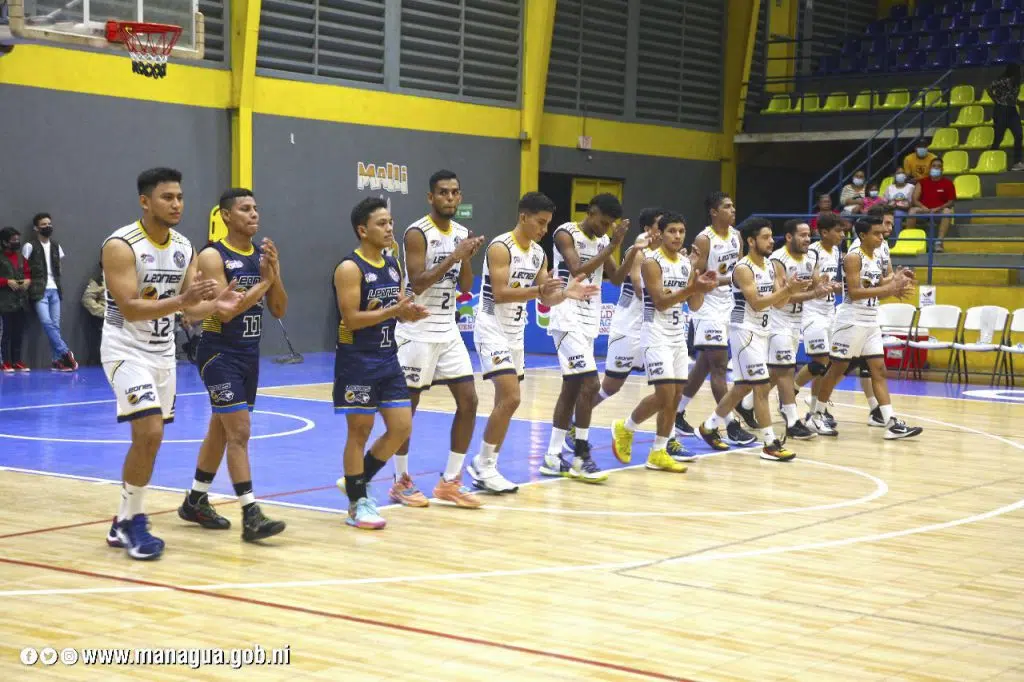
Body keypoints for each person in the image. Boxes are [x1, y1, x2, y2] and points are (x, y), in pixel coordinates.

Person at [102, 167, 244, 560]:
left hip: (162, 354)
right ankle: (133, 521)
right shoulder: (121, 245)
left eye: (180, 197)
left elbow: (190, 311)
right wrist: (184, 302)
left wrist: (216, 305)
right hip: (125, 350)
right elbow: (131, 308)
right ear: (144, 201)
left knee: (150, 440)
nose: (177, 204)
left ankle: (123, 519)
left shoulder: (184, 247)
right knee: (149, 431)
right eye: (167, 197)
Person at [177, 187, 289, 541]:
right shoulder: (214, 256)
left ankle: (195, 500)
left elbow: (279, 309)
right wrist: (265, 281)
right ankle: (250, 513)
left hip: (249, 354)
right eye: (245, 209)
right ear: (226, 215)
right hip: (218, 353)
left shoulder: (261, 255)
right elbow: (227, 312)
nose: (254, 214)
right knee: (239, 432)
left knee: (221, 430)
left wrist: (275, 274)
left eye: (256, 208)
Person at [467, 192, 600, 489]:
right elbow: (500, 294)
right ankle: (482, 465)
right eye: (540, 222)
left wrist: (566, 294)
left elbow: (547, 298)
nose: (544, 229)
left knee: (507, 403)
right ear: (523, 217)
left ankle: (487, 465)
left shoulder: (539, 253)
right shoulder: (501, 247)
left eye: (548, 224)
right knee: (512, 397)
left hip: (516, 333)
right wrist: (539, 292)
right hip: (491, 328)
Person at [393, 170, 488, 505]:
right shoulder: (417, 232)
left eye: (454, 192)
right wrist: (454, 256)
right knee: (407, 409)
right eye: (443, 192)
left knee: (469, 401)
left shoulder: (461, 233)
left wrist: (466, 259)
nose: (450, 197)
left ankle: (450, 480)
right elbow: (418, 282)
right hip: (416, 329)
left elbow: (466, 286)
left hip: (448, 330)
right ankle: (400, 480)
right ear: (430, 197)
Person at [333, 197, 429, 530]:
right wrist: (393, 311)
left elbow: (396, 310)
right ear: (363, 230)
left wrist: (409, 313)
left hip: (388, 358)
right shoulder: (349, 268)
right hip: (357, 361)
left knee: (402, 427)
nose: (389, 228)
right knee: (359, 431)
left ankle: (355, 480)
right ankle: (357, 503)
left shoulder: (392, 264)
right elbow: (351, 319)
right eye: (382, 223)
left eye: (391, 222)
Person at [609, 212, 718, 471]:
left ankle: (658, 452)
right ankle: (626, 427)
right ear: (661, 233)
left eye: (681, 231)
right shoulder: (651, 262)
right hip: (655, 334)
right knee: (664, 394)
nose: (677, 236)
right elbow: (659, 302)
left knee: (676, 396)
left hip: (677, 335)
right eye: (672, 231)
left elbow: (694, 304)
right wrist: (691, 289)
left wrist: (701, 288)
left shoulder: (686, 264)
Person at [698, 218, 807, 461]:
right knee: (761, 386)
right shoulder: (743, 268)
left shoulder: (770, 266)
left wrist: (791, 290)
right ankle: (769, 443)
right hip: (744, 330)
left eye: (771, 237)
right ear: (750, 241)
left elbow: (778, 303)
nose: (771, 241)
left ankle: (709, 426)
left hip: (762, 330)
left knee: (743, 386)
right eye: (765, 237)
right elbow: (756, 303)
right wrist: (786, 290)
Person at [808, 216, 923, 440]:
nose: (881, 237)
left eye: (882, 233)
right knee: (837, 369)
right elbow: (854, 292)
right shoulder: (853, 257)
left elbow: (877, 285)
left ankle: (890, 421)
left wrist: (896, 282)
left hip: (870, 320)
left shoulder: (877, 255)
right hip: (851, 320)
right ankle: (817, 414)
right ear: (862, 235)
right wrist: (889, 289)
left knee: (878, 370)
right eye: (876, 233)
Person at [541, 193, 629, 483]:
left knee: (573, 388)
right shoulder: (565, 233)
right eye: (603, 222)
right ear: (591, 212)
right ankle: (581, 455)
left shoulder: (603, 241)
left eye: (611, 224)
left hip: (589, 321)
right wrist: (612, 245)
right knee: (591, 384)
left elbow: (617, 278)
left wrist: (631, 251)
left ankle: (553, 456)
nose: (606, 228)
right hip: (566, 315)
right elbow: (577, 270)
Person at [675, 192, 756, 447]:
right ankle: (730, 424)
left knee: (704, 365)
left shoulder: (736, 236)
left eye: (733, 206)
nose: (733, 210)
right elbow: (697, 279)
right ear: (713, 211)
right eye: (727, 206)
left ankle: (677, 412)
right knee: (719, 366)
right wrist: (729, 280)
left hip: (729, 304)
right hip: (707, 307)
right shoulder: (704, 239)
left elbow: (740, 270)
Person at [735, 219, 826, 440]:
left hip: (795, 321)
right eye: (803, 235)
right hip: (775, 322)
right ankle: (792, 421)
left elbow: (808, 287)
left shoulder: (811, 257)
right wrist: (809, 293)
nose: (807, 239)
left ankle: (744, 405)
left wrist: (822, 286)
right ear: (789, 237)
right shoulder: (776, 259)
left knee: (775, 373)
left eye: (809, 235)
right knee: (785, 371)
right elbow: (780, 299)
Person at [796, 213, 846, 434]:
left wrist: (839, 286)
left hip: (829, 311)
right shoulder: (812, 252)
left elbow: (832, 284)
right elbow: (807, 282)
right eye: (838, 231)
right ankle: (791, 391)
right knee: (820, 361)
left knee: (826, 364)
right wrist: (820, 284)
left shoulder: (836, 252)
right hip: (811, 311)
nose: (842, 235)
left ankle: (815, 412)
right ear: (824, 232)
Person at [23, 212, 77, 371]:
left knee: (55, 326)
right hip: (39, 291)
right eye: (43, 224)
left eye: (49, 224)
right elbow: (24, 268)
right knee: (46, 322)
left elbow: (59, 267)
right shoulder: (29, 246)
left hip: (55, 290)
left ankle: (57, 361)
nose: (47, 227)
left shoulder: (56, 245)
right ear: (36, 228)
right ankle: (65, 352)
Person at [906, 157, 956, 252]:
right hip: (924, 211)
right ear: (929, 168)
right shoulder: (922, 182)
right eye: (934, 166)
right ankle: (908, 240)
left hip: (938, 212)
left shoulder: (948, 183)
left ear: (942, 169)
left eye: (939, 166)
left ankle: (939, 243)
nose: (936, 168)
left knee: (947, 211)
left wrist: (939, 208)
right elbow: (914, 199)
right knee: (912, 211)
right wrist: (923, 207)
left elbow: (951, 202)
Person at [0, 226, 30, 372]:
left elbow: (28, 272)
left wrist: (28, 281)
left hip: (20, 301)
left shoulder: (20, 257)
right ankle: (5, 362)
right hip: (4, 302)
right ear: (5, 242)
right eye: (13, 240)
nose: (17, 242)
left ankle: (16, 361)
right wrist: (6, 282)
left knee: (18, 332)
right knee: (5, 333)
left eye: (18, 239)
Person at [988, 63, 1024, 172]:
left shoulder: (1017, 83)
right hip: (1001, 110)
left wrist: (1018, 102)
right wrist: (996, 101)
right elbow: (989, 89)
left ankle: (1017, 162)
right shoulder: (1003, 81)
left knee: (1019, 135)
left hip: (1012, 110)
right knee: (998, 137)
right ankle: (991, 160)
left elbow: (1011, 96)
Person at [81, 262, 106, 365]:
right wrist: (104, 312)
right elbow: (87, 299)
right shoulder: (98, 282)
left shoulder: (122, 282)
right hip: (103, 319)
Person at [884, 168, 914, 239]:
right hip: (890, 210)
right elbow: (885, 202)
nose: (900, 175)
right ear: (894, 176)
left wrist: (898, 206)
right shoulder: (889, 188)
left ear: (905, 175)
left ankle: (898, 238)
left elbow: (911, 203)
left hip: (906, 211)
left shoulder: (911, 187)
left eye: (902, 173)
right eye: (898, 173)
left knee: (897, 214)